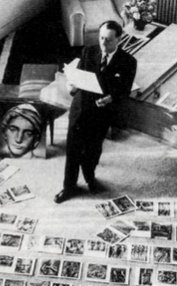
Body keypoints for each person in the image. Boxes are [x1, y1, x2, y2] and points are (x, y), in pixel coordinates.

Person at [54, 20, 137, 203]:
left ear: (119, 39)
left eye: (108, 40)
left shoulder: (129, 62)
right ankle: (69, 187)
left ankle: (90, 179)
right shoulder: (88, 51)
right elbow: (78, 77)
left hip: (101, 114)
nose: (103, 43)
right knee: (73, 151)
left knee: (92, 151)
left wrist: (110, 98)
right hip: (80, 109)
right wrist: (72, 86)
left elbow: (124, 89)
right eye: (101, 38)